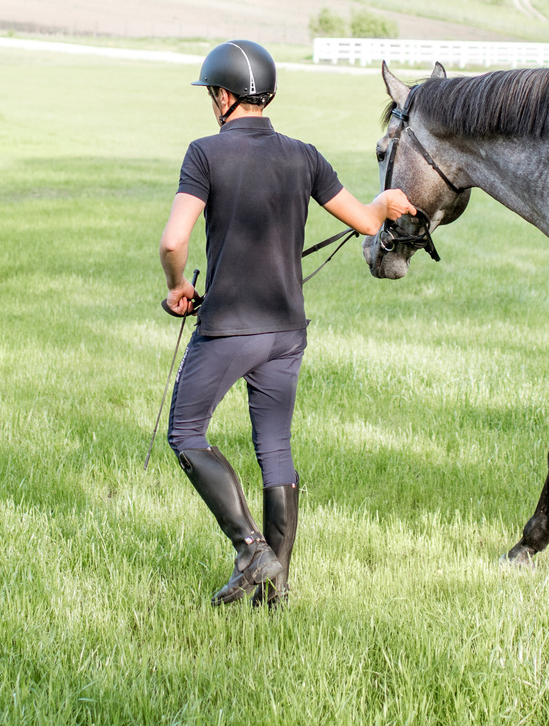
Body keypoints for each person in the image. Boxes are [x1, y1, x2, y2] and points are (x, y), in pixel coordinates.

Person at [159, 39, 418, 606]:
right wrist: (390, 202)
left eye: (211, 93)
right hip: (286, 331)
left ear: (224, 96)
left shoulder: (205, 154)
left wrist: (179, 286)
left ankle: (252, 549)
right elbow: (367, 221)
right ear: (266, 94)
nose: (211, 102)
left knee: (185, 431)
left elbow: (174, 240)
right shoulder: (304, 155)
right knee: (274, 447)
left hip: (229, 328)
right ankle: (275, 590)